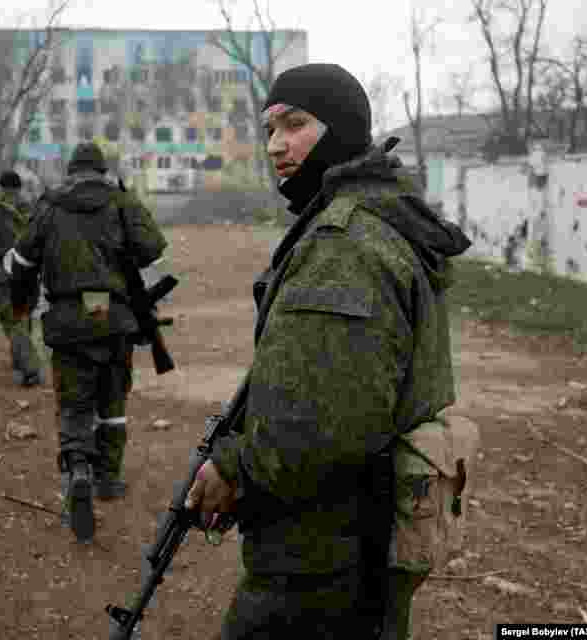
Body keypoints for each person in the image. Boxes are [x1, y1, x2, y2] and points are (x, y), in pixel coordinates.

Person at [183, 63, 471, 638]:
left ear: (339, 128)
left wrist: (233, 464)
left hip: (323, 553)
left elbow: (320, 423)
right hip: (359, 536)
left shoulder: (344, 243)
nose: (275, 145)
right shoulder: (375, 218)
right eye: (269, 129)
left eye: (294, 124)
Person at [5, 143, 167, 544]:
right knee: (113, 402)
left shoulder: (49, 205)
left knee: (75, 404)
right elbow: (153, 248)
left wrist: (22, 303)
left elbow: (20, 263)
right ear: (102, 170)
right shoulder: (119, 202)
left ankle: (78, 467)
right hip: (114, 321)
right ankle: (108, 479)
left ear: (71, 171)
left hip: (67, 323)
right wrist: (127, 201)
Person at [0, 170, 43, 386]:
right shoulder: (35, 212)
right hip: (30, 274)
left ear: (1, 188)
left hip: (4, 276)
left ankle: (30, 368)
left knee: (13, 322)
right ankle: (19, 359)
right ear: (19, 188)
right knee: (23, 316)